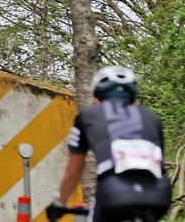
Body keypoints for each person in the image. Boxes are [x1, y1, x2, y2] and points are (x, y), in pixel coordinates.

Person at [54, 66, 171, 222]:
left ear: (97, 96)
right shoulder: (152, 117)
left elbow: (73, 172)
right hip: (159, 194)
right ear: (133, 95)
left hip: (114, 192)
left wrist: (59, 204)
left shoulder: (87, 115)